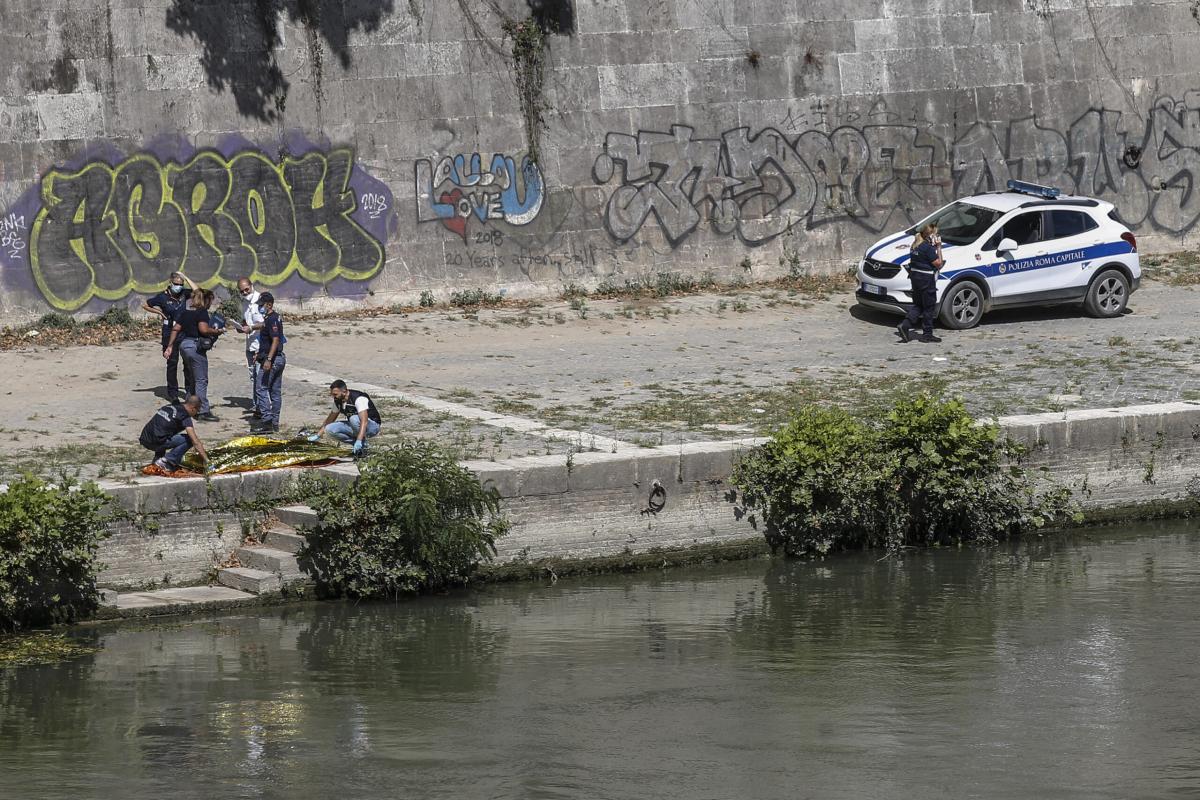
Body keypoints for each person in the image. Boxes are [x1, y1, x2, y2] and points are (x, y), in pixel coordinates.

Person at [164, 288, 225, 422]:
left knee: (191, 378)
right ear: (206, 300)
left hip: (183, 346)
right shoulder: (201, 312)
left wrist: (169, 346)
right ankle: (203, 411)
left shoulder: (186, 312)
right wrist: (216, 331)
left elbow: (175, 329)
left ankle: (189, 407)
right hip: (195, 347)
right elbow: (203, 329)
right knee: (201, 380)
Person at [142, 271, 197, 400]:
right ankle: (173, 394)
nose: (178, 286)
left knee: (188, 362)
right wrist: (160, 313)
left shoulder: (185, 294)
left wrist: (186, 277)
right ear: (170, 283)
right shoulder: (162, 297)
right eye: (176, 284)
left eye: (181, 284)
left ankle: (189, 391)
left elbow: (199, 291)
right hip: (169, 331)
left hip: (184, 331)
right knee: (172, 363)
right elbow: (145, 304)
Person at [308, 379, 382, 457]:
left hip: (372, 427)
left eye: (335, 394)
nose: (333, 397)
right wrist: (318, 435)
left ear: (344, 391)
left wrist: (359, 440)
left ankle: (361, 445)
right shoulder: (338, 400)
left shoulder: (358, 398)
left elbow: (364, 421)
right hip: (355, 425)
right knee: (329, 429)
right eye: (332, 394)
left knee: (353, 419)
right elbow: (330, 418)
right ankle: (358, 445)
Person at [897, 223, 944, 344]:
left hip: (915, 278)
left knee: (919, 305)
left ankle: (905, 325)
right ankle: (927, 335)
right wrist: (938, 247)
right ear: (930, 236)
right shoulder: (927, 248)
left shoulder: (915, 245)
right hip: (926, 280)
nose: (937, 237)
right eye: (936, 235)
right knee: (929, 307)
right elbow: (939, 263)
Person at [139, 394, 209, 472]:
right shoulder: (184, 416)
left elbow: (159, 427)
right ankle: (167, 460)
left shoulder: (169, 407)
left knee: (165, 433)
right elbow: (195, 441)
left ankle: (157, 461)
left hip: (145, 439)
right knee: (189, 440)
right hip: (156, 442)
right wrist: (206, 460)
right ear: (193, 408)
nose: (196, 413)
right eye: (197, 411)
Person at [252, 292, 285, 433]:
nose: (260, 307)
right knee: (275, 392)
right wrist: (259, 355)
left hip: (273, 360)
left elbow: (276, 339)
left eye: (262, 305)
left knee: (261, 388)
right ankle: (275, 423)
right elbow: (267, 336)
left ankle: (267, 421)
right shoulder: (271, 318)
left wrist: (268, 359)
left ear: (269, 305)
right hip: (278, 358)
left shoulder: (272, 319)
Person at [233, 278, 265, 418]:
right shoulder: (244, 302)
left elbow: (265, 323)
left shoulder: (261, 300)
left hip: (261, 344)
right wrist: (240, 327)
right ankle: (256, 404)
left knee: (260, 377)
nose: (245, 292)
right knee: (253, 376)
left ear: (252, 286)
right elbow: (246, 322)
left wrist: (251, 327)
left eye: (247, 289)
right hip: (250, 344)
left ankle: (262, 408)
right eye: (242, 291)